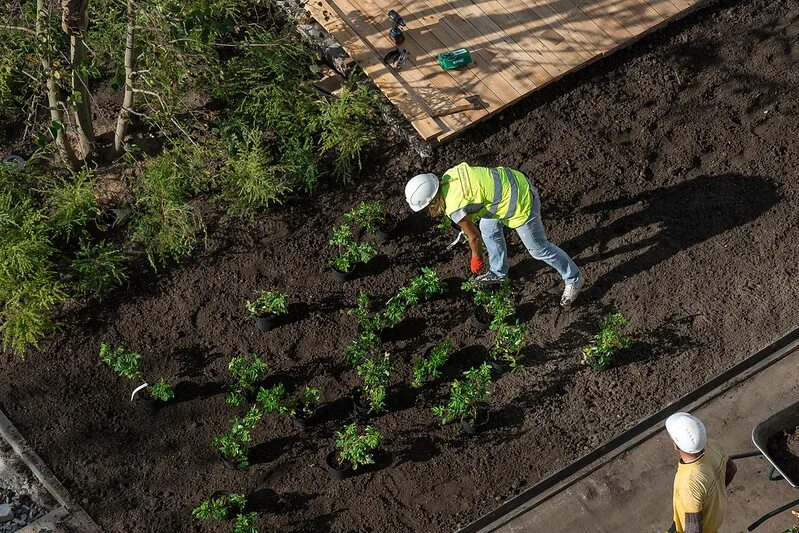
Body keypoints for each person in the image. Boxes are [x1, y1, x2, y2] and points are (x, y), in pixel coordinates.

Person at [404, 162, 584, 306]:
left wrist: (476, 258)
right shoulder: (449, 175)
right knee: (489, 230)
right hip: (510, 180)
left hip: (520, 201)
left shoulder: (454, 207)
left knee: (539, 249)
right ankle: (498, 273)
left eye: (426, 207)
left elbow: (473, 237)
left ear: (432, 201)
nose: (428, 211)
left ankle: (573, 279)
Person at [665, 412, 737, 533]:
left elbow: (693, 529)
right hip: (714, 520)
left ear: (675, 445)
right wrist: (714, 494)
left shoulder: (687, 483)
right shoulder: (712, 446)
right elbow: (732, 469)